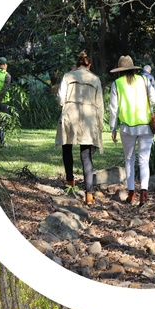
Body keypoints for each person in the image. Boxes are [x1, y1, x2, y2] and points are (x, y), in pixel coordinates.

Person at [108, 55, 155, 205]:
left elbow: (113, 108)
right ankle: (144, 193)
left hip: (126, 127)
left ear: (120, 70)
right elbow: (154, 100)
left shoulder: (117, 83)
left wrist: (112, 127)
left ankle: (131, 194)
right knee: (144, 160)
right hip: (145, 125)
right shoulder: (144, 80)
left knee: (129, 160)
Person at [58, 51, 105, 205]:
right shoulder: (95, 79)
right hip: (88, 117)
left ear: (77, 64)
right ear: (89, 65)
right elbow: (100, 104)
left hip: (70, 114)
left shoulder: (67, 76)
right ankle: (89, 194)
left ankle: (70, 180)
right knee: (86, 155)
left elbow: (60, 98)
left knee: (67, 147)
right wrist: (100, 123)